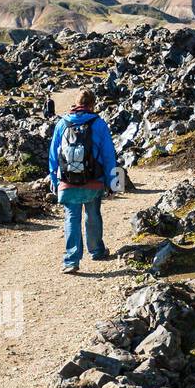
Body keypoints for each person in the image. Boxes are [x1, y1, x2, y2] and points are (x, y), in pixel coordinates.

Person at [48, 88, 119, 275]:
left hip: (67, 180)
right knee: (92, 213)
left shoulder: (62, 124)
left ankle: (71, 260)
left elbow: (53, 156)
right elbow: (109, 155)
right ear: (92, 104)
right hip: (93, 180)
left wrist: (55, 181)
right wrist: (113, 181)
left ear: (76, 102)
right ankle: (96, 251)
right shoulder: (99, 124)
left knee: (71, 217)